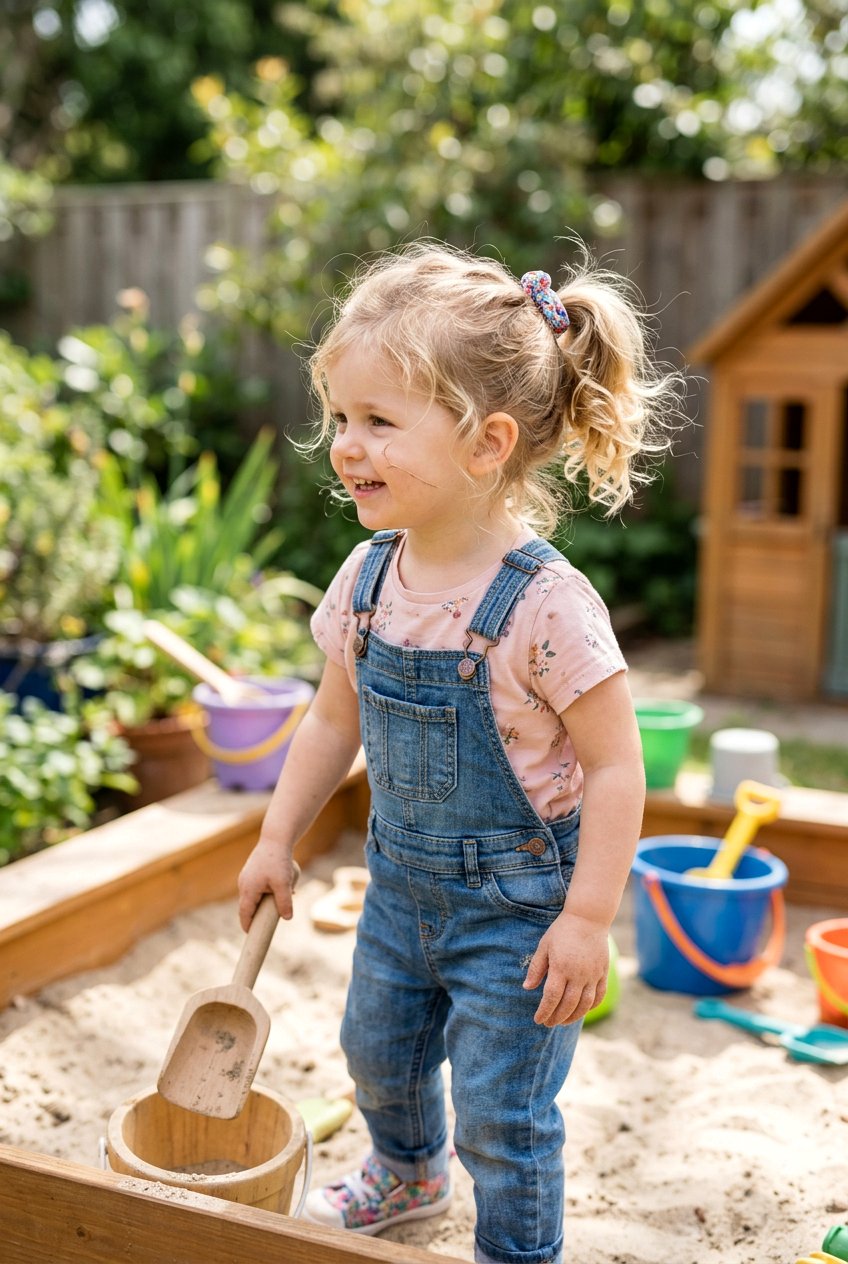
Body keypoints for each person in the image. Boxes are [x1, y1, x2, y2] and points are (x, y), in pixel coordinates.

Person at [238, 243, 681, 1264]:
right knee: (375, 1056)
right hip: (398, 888)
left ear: (486, 442)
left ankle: (515, 1250)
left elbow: (617, 768)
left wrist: (586, 920)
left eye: (379, 422)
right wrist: (275, 835)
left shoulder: (546, 606)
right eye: (342, 418)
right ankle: (404, 1171)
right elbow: (330, 721)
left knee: (502, 1110)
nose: (345, 446)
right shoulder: (365, 576)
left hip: (522, 915)